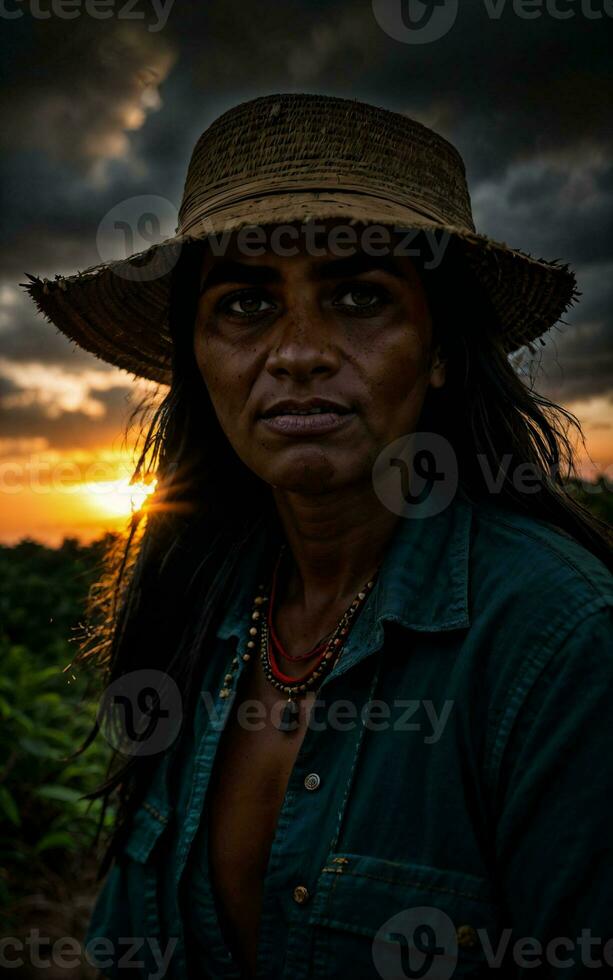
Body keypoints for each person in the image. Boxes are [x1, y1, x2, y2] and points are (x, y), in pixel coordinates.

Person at [24, 93, 613, 979]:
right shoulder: (196, 606)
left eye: (357, 295)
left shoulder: (560, 645)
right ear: (196, 356)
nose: (298, 351)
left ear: (441, 348)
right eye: (246, 303)